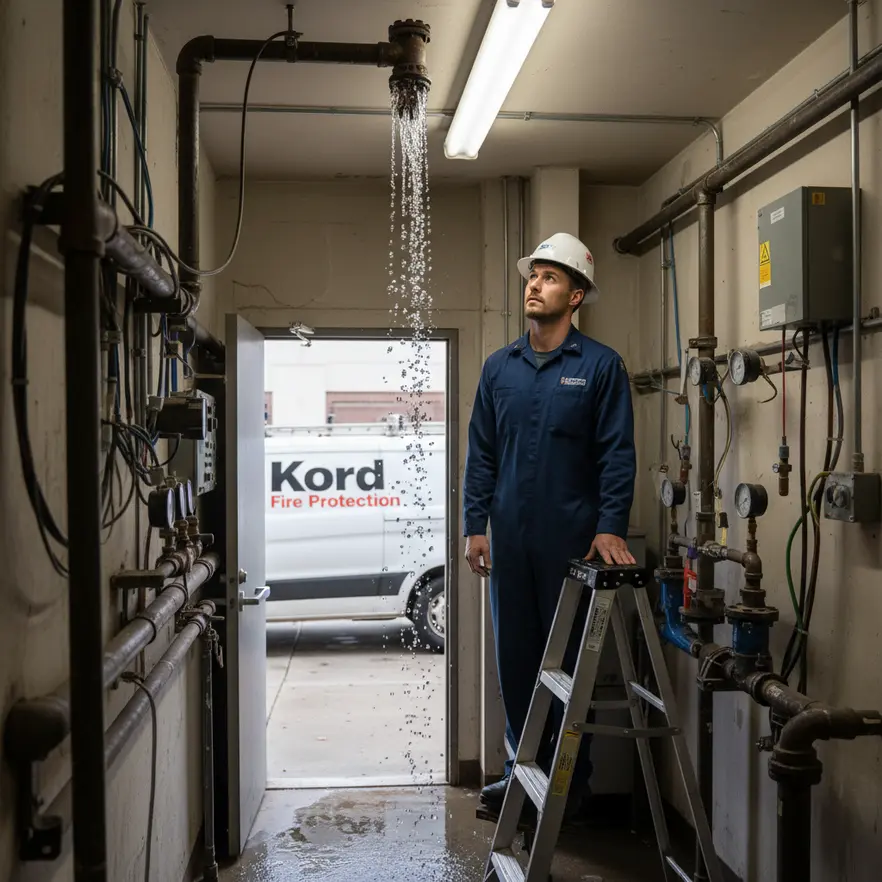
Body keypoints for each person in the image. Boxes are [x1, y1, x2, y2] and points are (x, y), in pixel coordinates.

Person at [462, 231, 637, 819]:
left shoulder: (601, 367)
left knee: (564, 667)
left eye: (551, 277)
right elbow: (480, 453)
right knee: (516, 664)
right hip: (509, 540)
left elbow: (617, 453)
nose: (535, 286)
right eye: (532, 276)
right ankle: (520, 777)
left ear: (577, 296)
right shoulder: (499, 369)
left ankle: (568, 784)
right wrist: (475, 525)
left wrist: (612, 524)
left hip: (572, 544)